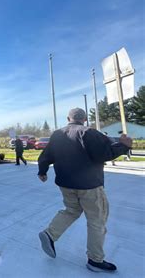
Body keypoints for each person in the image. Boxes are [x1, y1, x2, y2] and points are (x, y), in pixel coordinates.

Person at [37, 108, 132, 273]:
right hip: (89, 186)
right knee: (97, 221)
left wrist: (42, 171)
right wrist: (124, 146)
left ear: (68, 118)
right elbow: (105, 154)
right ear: (85, 119)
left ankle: (50, 234)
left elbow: (45, 155)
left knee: (71, 210)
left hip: (65, 184)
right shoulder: (89, 133)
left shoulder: (57, 134)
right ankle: (95, 260)